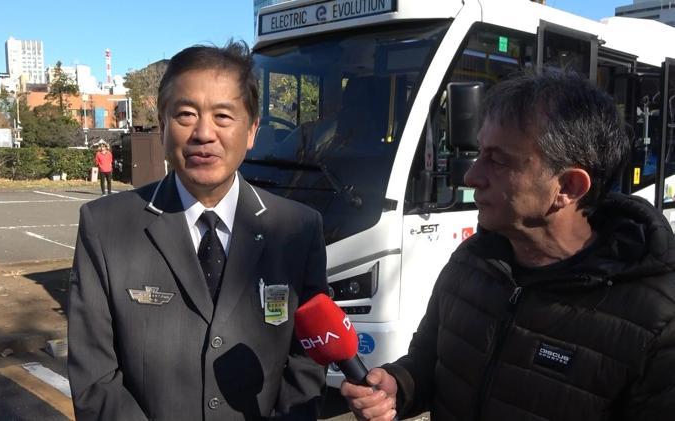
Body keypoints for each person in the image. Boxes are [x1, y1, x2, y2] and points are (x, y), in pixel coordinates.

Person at [341, 72, 675, 421]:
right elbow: (428, 361)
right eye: (479, 152)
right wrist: (399, 386)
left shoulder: (657, 320)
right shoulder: (471, 261)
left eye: (498, 161)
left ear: (569, 187)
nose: (471, 177)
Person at [68, 40, 328, 420]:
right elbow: (95, 380)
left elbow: (307, 360)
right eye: (186, 114)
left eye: (223, 116)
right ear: (162, 127)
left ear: (252, 130)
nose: (204, 133)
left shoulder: (298, 229)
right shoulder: (105, 227)